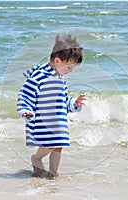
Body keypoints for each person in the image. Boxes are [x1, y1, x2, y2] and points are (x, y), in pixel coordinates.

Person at [17, 34, 86, 177]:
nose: (70, 71)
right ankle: (36, 158)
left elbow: (63, 101)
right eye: (69, 67)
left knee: (58, 146)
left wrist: (74, 103)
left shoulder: (60, 78)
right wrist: (26, 110)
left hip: (58, 121)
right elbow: (25, 95)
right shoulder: (40, 76)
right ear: (57, 60)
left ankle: (53, 174)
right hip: (44, 121)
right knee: (51, 144)